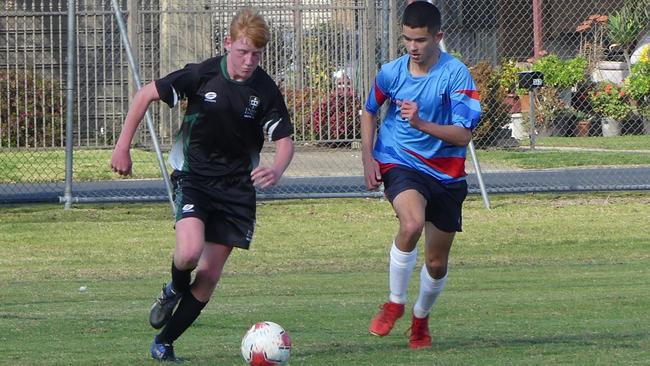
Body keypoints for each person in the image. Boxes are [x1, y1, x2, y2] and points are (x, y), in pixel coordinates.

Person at [110, 8, 294, 362]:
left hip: (237, 191)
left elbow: (285, 141)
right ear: (228, 44)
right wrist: (122, 147)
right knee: (189, 253)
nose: (249, 60)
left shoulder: (265, 89)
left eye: (257, 54)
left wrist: (277, 169)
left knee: (208, 274)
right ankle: (173, 289)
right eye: (243, 52)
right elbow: (145, 95)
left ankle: (164, 343)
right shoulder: (202, 74)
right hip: (194, 179)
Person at [360, 1, 481, 349]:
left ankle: (420, 317)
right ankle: (394, 302)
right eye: (407, 39)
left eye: (421, 40)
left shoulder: (457, 75)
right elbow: (369, 111)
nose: (413, 47)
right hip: (400, 161)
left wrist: (420, 123)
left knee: (436, 262)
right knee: (410, 224)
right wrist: (368, 159)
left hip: (446, 174)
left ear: (438, 37)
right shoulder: (391, 73)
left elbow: (463, 135)